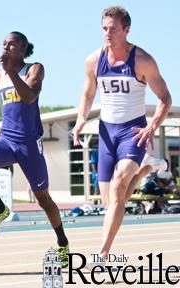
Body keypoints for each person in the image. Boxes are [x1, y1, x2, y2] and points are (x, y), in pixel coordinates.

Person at [72, 6, 172, 267]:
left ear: (126, 29)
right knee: (112, 204)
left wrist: (151, 127)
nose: (108, 33)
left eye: (113, 29)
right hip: (107, 132)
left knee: (118, 187)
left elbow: (165, 98)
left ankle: (102, 253)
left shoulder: (142, 60)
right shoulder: (93, 60)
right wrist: (81, 119)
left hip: (133, 131)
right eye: (104, 28)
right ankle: (146, 168)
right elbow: (87, 93)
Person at [0, 32, 69, 268]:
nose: (5, 47)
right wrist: (7, 72)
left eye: (11, 44)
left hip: (28, 144)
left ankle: (63, 242)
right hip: (6, 140)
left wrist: (12, 72)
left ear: (22, 50)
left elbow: (29, 97)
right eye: (3, 43)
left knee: (43, 199)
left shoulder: (34, 69)